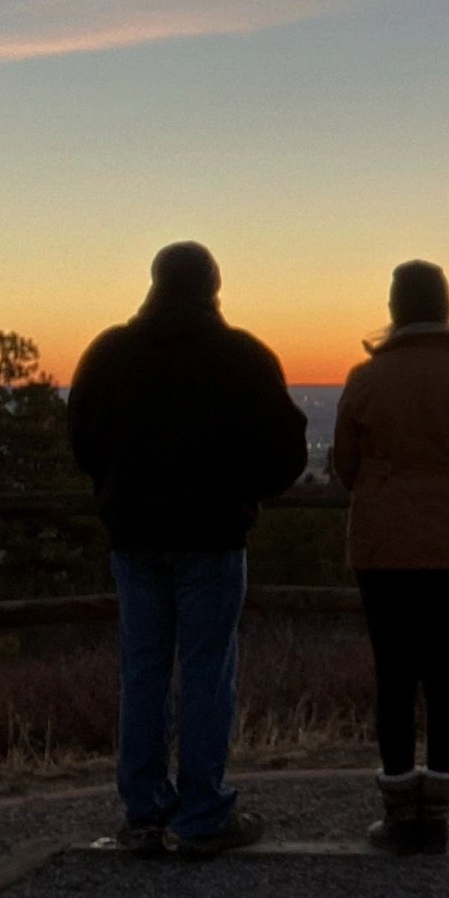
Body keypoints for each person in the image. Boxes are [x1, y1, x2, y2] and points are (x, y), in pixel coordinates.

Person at [68, 242, 307, 859]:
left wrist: (116, 491)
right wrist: (244, 494)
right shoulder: (242, 357)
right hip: (212, 538)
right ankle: (203, 814)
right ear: (213, 286)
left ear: (154, 283)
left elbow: (83, 440)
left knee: (143, 669)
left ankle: (145, 812)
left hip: (135, 538)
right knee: (207, 669)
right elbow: (286, 450)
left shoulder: (109, 354)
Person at [332, 260, 449, 854]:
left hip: (383, 545)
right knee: (444, 675)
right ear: (447, 306)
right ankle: (439, 816)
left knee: (394, 675)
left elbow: (344, 467)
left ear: (393, 308)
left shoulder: (365, 379)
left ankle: (398, 811)